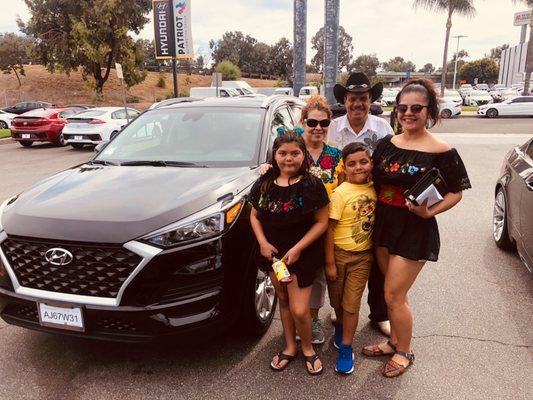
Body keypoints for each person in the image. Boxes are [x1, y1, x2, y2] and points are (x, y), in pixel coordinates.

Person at [362, 78, 471, 378]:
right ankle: (394, 341)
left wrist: (430, 212)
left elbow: (456, 191)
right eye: (402, 108)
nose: (408, 113)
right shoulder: (386, 144)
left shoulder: (442, 150)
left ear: (429, 111)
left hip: (414, 227)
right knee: (392, 293)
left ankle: (404, 351)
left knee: (394, 295)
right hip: (383, 224)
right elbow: (368, 177)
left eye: (416, 108)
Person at [261, 95, 344, 345]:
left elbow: (345, 188)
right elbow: (274, 174)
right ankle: (299, 322)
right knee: (295, 280)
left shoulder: (336, 155)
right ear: (303, 122)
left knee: (320, 276)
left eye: (324, 123)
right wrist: (266, 168)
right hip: (295, 226)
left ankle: (316, 317)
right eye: (312, 122)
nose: (318, 127)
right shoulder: (293, 150)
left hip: (326, 225)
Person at [249, 132, 329, 375]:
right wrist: (262, 242)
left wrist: (298, 248)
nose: (288, 158)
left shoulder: (311, 184)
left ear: (303, 155)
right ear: (274, 155)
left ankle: (307, 348)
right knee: (283, 300)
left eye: (295, 153)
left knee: (300, 310)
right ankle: (290, 346)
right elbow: (254, 215)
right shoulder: (264, 183)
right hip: (274, 256)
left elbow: (322, 222)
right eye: (282, 153)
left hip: (301, 256)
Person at [328, 72, 393, 337]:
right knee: (339, 253)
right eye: (353, 99)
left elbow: (391, 162)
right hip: (341, 201)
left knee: (377, 257)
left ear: (370, 101)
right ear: (345, 100)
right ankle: (339, 307)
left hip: (373, 198)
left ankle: (379, 314)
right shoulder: (332, 127)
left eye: (363, 99)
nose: (358, 104)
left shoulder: (383, 128)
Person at [325, 142, 376, 374]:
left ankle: (346, 347)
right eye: (352, 164)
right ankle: (339, 330)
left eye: (363, 162)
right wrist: (329, 263)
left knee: (351, 304)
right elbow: (329, 229)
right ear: (344, 167)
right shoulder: (340, 193)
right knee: (337, 302)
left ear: (371, 163)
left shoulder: (376, 189)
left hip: (362, 257)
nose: (358, 167)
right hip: (338, 255)